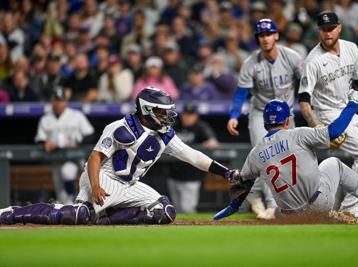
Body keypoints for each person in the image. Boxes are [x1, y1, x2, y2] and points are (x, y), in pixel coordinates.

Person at [0, 87, 238, 225]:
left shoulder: (165, 134)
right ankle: (11, 213)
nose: (166, 117)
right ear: (147, 110)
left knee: (164, 212)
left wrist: (226, 172)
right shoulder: (120, 127)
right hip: (103, 177)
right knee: (78, 214)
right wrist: (94, 185)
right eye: (161, 112)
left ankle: (105, 220)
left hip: (130, 184)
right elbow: (95, 157)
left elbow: (193, 156)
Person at [214, 94, 358, 223]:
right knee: (334, 164)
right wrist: (352, 104)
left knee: (277, 212)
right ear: (287, 120)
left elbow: (243, 185)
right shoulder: (298, 134)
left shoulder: (255, 153)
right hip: (317, 203)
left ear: (264, 122)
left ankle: (323, 217)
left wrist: (231, 208)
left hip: (288, 216)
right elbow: (334, 131)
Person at [298, 11, 358, 222]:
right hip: (328, 114)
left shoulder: (351, 48)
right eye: (323, 29)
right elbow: (303, 101)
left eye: (331, 28)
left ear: (339, 28)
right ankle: (350, 208)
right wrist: (318, 127)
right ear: (319, 31)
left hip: (346, 108)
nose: (327, 33)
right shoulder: (313, 61)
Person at [226, 18, 302, 219]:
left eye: (269, 34)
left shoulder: (292, 57)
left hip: (286, 115)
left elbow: (307, 83)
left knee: (288, 160)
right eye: (261, 35)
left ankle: (254, 193)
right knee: (268, 156)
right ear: (257, 39)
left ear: (276, 35)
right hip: (261, 114)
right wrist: (234, 115)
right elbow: (241, 93)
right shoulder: (251, 63)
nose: (265, 38)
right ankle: (271, 205)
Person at [35, 87, 94, 204]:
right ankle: (70, 208)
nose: (58, 103)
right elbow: (39, 138)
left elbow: (90, 134)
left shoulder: (76, 115)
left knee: (67, 172)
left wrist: (77, 142)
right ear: (52, 102)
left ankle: (75, 200)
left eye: (61, 100)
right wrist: (45, 143)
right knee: (61, 197)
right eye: (56, 100)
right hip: (56, 158)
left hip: (74, 158)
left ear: (65, 101)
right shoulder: (45, 119)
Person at [167, 102, 219, 213]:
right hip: (174, 175)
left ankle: (189, 230)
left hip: (191, 176)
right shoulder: (174, 125)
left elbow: (213, 141)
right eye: (186, 114)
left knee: (187, 209)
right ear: (182, 114)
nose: (188, 117)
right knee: (175, 209)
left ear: (196, 116)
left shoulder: (200, 127)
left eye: (191, 115)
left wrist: (210, 142)